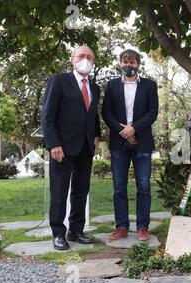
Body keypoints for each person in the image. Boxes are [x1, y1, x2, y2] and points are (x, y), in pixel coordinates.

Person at [42, 45, 101, 250]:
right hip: (62, 147)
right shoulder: (58, 81)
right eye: (81, 56)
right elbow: (47, 116)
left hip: (85, 147)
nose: (85, 60)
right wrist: (53, 144)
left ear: (93, 62)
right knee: (59, 191)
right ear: (72, 59)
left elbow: (92, 115)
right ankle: (58, 233)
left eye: (90, 57)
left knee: (80, 191)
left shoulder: (94, 87)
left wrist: (97, 135)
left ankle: (76, 230)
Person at [102, 49, 159, 241]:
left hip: (142, 142)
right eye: (126, 62)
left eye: (133, 62)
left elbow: (152, 112)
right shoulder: (111, 86)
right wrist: (123, 131)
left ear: (138, 65)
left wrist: (133, 128)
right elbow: (106, 112)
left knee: (143, 185)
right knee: (119, 187)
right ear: (120, 63)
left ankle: (143, 227)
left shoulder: (150, 86)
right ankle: (122, 227)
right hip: (119, 143)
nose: (129, 65)